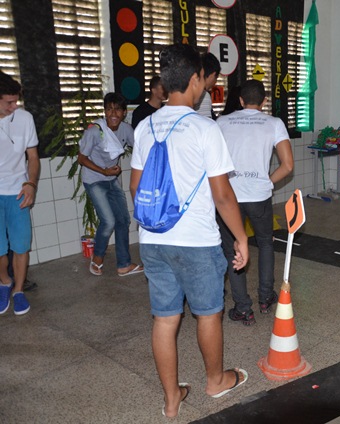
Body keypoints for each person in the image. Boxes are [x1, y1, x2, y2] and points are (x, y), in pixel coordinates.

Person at [130, 43, 249, 418]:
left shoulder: (145, 126)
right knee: (208, 313)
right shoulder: (204, 127)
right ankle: (216, 381)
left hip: (153, 239)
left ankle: (171, 399)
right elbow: (223, 196)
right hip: (196, 241)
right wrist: (242, 237)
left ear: (164, 83)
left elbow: (136, 188)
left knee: (165, 319)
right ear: (197, 79)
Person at [216, 80, 293, 325]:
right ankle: (265, 297)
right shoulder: (274, 123)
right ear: (263, 101)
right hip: (259, 196)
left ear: (240, 100)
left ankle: (243, 307)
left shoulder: (222, 122)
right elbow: (288, 165)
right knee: (265, 244)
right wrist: (267, 182)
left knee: (233, 250)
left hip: (229, 198)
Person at [78, 92, 143, 277]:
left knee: (123, 220)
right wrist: (104, 171)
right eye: (109, 109)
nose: (113, 113)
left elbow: (140, 149)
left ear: (124, 112)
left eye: (117, 110)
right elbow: (81, 159)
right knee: (108, 221)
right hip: (94, 179)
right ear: (105, 112)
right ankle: (97, 259)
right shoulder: (94, 131)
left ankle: (124, 265)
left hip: (110, 179)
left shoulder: (126, 129)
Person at [0, 70, 39, 315]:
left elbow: (33, 157)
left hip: (18, 191)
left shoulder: (25, 118)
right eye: (8, 102)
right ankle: (4, 282)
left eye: (17, 101)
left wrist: (31, 184)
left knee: (21, 245)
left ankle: (19, 290)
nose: (14, 106)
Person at [194, 52, 221, 120]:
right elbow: (206, 125)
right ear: (212, 75)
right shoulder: (204, 95)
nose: (215, 83)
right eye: (216, 78)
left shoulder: (190, 91)